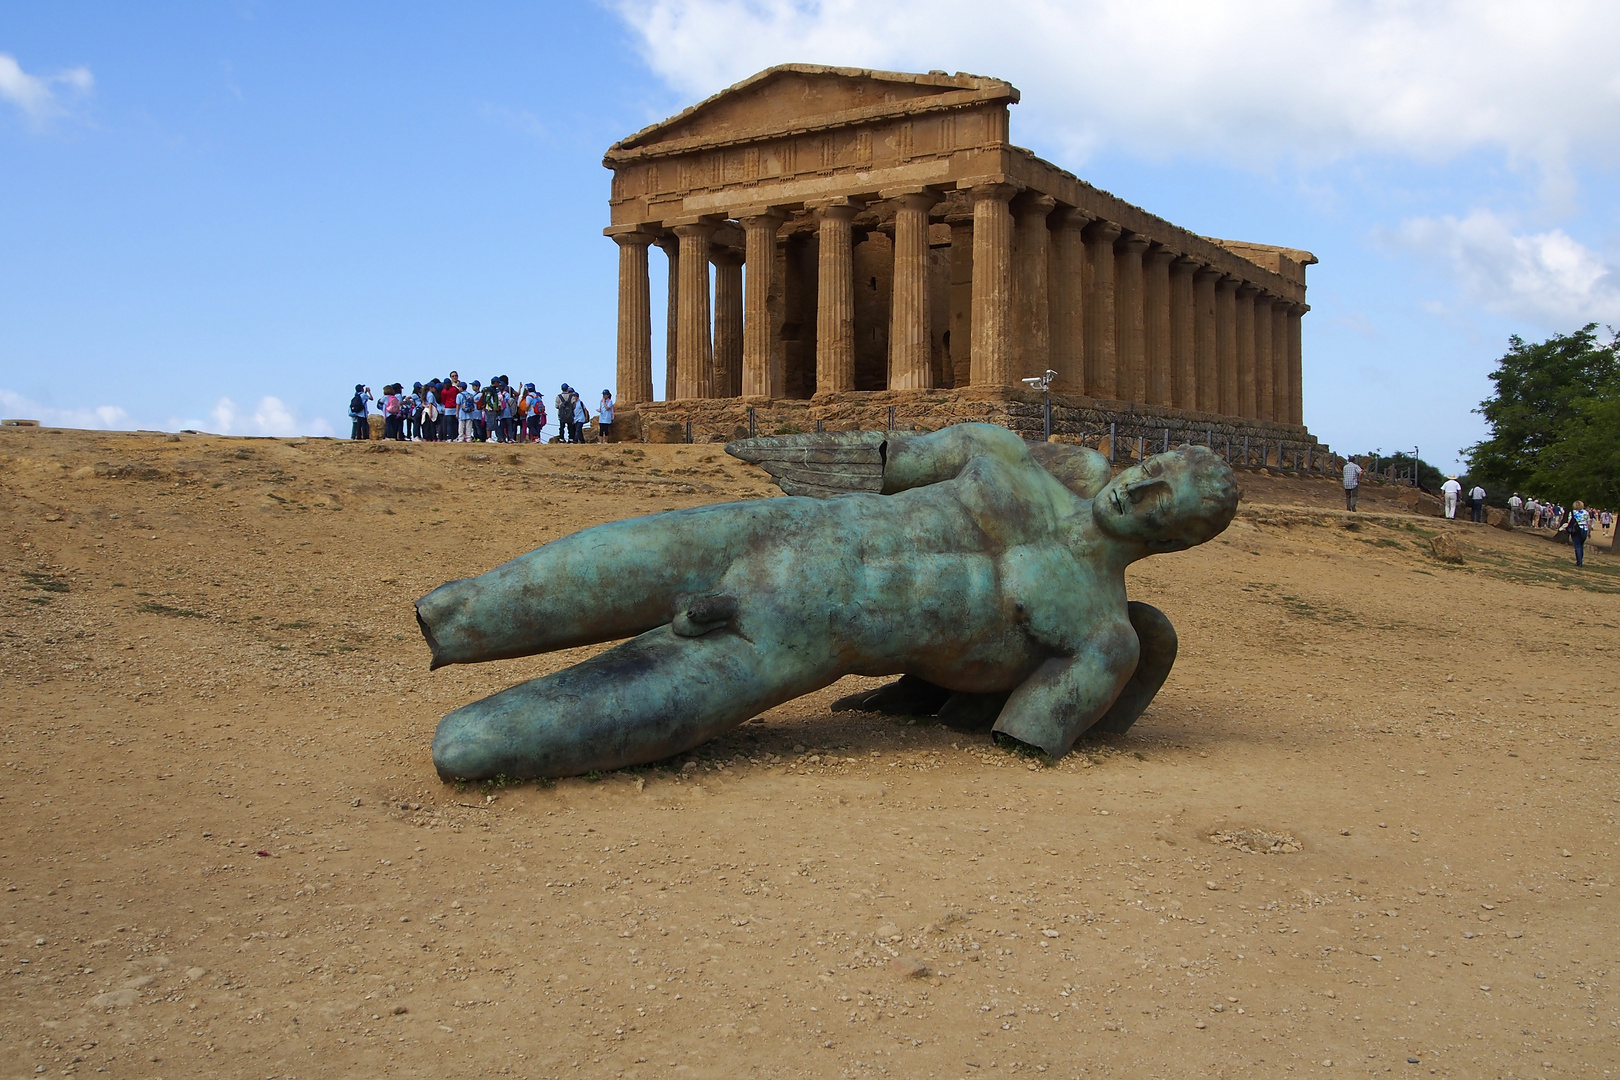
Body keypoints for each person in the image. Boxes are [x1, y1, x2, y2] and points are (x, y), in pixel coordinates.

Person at [417, 425, 1240, 780]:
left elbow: (1028, 733)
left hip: (794, 638)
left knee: (471, 747)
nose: (1144, 488)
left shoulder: (1102, 637)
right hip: (767, 530)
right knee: (465, 610)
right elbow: (873, 466)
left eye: (1169, 502)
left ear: (1176, 540)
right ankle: (455, 624)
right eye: (1154, 468)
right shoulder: (1002, 455)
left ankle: (486, 742)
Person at [1564, 501, 1591, 567]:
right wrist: (1589, 532)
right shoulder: (1586, 513)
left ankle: (1579, 562)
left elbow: (1569, 521)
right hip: (1584, 529)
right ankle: (1580, 560)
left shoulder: (1572, 512)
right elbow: (1589, 523)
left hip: (1576, 529)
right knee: (1581, 545)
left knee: (1577, 546)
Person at [440, 376, 460, 442]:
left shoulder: (444, 391)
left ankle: (449, 437)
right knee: (455, 423)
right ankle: (455, 436)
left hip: (448, 408)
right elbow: (458, 394)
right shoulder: (454, 389)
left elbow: (443, 400)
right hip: (454, 407)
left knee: (449, 424)